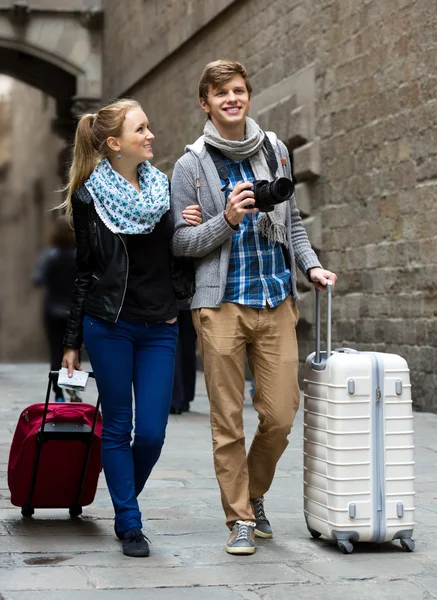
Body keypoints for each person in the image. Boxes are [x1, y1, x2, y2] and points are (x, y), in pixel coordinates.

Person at [170, 60, 337, 555]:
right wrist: (226, 218)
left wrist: (311, 267)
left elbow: (293, 227)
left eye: (239, 91)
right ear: (206, 103)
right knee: (227, 418)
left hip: (275, 299)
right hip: (220, 305)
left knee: (282, 413)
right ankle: (240, 518)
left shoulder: (275, 150)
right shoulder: (190, 164)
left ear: (248, 96)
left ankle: (253, 491)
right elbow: (181, 242)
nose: (232, 99)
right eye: (221, 93)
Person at [61, 99, 202, 558]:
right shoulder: (88, 197)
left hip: (161, 326)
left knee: (153, 434)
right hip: (111, 325)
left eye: (149, 126)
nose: (151, 135)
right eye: (141, 129)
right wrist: (71, 341)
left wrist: (189, 229)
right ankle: (130, 521)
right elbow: (85, 272)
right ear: (114, 143)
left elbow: (180, 253)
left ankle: (125, 500)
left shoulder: (164, 189)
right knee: (118, 426)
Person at [33, 216, 77, 402]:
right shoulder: (79, 256)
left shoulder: (49, 256)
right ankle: (73, 389)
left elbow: (38, 280)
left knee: (56, 352)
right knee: (73, 351)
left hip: (52, 310)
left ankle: (58, 394)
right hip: (74, 312)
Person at [170, 298, 197, 414]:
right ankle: (185, 396)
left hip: (173, 298)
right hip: (191, 297)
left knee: (175, 345)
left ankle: (175, 399)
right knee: (188, 346)